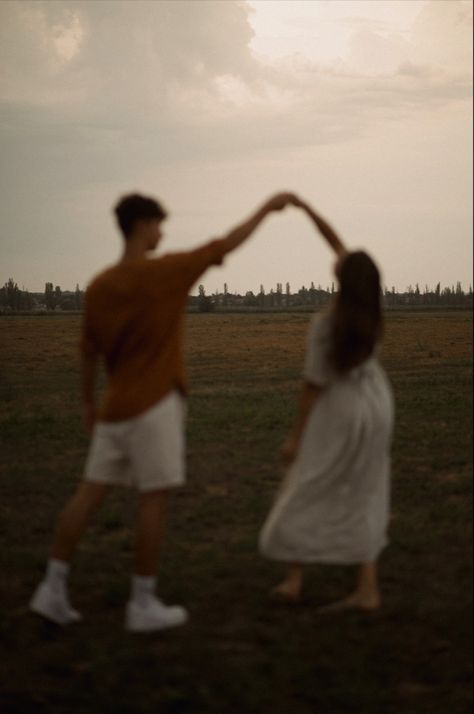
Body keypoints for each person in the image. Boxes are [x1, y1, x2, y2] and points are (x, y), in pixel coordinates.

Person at [30, 190, 297, 632]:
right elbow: (227, 243)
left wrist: (88, 404)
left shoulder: (99, 286)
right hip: (155, 406)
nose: (163, 231)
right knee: (153, 499)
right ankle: (142, 600)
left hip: (114, 408)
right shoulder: (167, 273)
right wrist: (268, 208)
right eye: (158, 223)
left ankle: (51, 588)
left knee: (88, 494)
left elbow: (87, 354)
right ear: (141, 225)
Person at [259, 200, 394, 612]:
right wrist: (306, 210)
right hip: (378, 403)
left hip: (341, 408)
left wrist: (295, 439)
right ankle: (367, 587)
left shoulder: (327, 324)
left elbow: (311, 389)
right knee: (366, 488)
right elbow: (339, 245)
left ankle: (295, 579)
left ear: (341, 277)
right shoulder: (370, 308)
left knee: (307, 482)